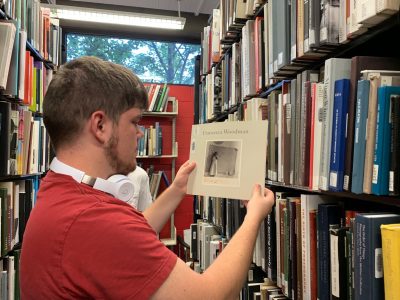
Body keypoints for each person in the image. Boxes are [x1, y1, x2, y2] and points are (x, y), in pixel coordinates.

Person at [20, 56, 275, 299]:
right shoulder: (92, 220)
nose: (140, 133)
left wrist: (177, 189)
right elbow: (212, 296)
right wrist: (253, 216)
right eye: (134, 121)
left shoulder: (60, 189)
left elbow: (129, 238)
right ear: (100, 126)